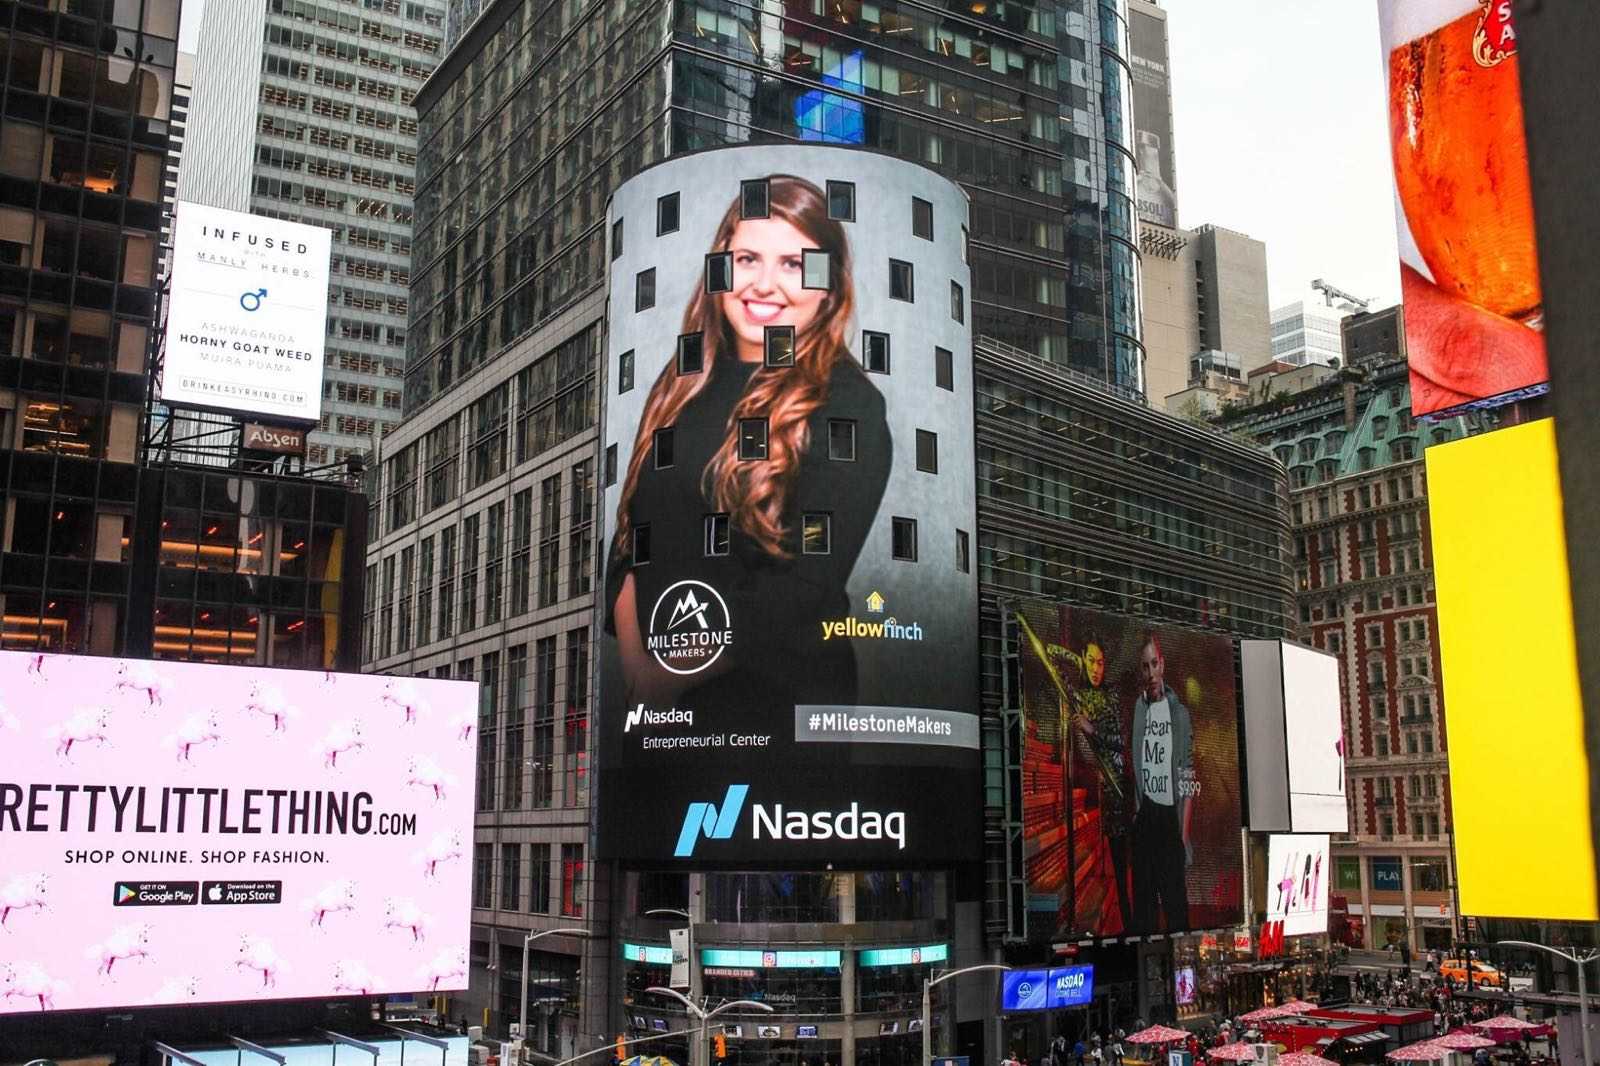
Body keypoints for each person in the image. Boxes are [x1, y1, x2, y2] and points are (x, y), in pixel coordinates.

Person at [606, 175, 891, 716]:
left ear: (828, 288)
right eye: (747, 259)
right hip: (659, 708)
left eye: (793, 264)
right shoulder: (681, 383)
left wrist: (670, 678)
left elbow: (806, 584)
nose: (764, 284)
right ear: (720, 267)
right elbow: (629, 543)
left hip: (778, 715)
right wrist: (642, 672)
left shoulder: (847, 402)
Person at [1128, 632, 1194, 932]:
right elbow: (1136, 763)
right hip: (1145, 818)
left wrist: (1182, 835)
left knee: (1176, 909)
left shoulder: (1179, 713)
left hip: (1169, 819)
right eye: (1145, 666)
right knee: (1143, 910)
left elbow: (1187, 775)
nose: (1151, 672)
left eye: (1155, 663)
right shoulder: (1138, 711)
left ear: (1163, 664)